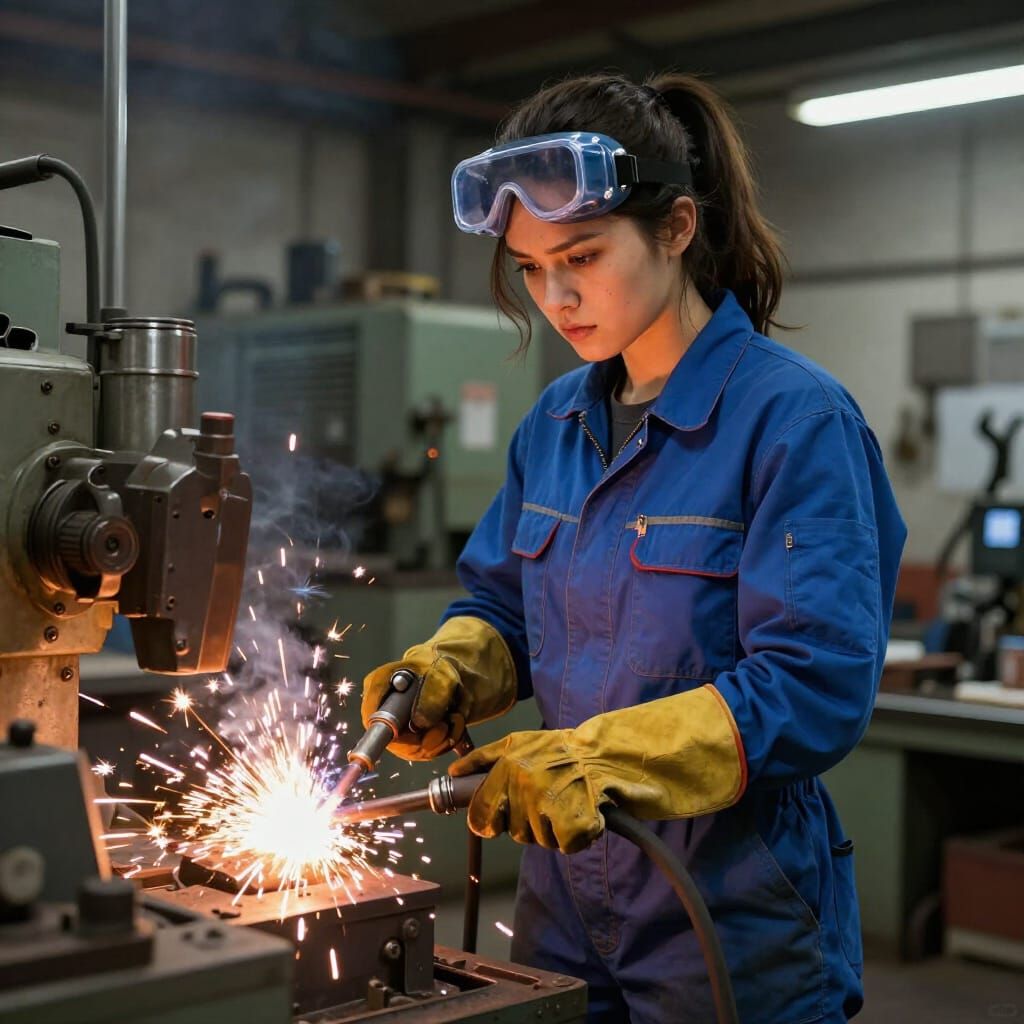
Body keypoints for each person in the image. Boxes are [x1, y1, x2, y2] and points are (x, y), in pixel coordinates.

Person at [361, 71, 906, 1024]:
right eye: (531, 268)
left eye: (580, 255)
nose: (556, 295)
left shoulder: (793, 421)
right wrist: (452, 667)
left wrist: (601, 760)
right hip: (564, 900)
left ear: (678, 228)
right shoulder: (554, 425)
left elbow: (814, 683)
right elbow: (502, 606)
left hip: (729, 914)